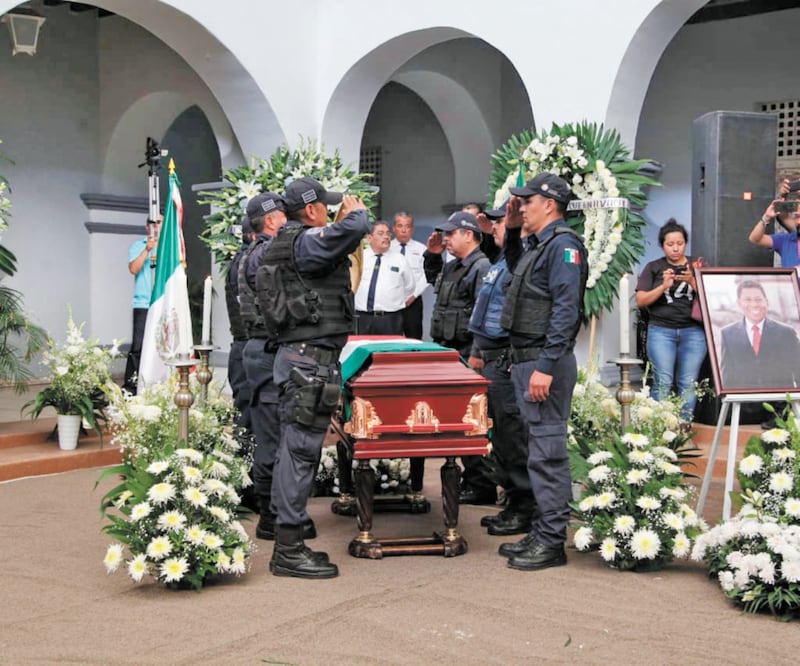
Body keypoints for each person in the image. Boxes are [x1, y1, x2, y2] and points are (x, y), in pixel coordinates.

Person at [258, 177, 370, 579]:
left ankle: (288, 542)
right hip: (308, 363)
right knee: (301, 453)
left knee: (296, 451)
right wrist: (354, 211)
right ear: (310, 210)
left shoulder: (291, 242)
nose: (330, 210)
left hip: (303, 360)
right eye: (325, 206)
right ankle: (288, 550)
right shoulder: (304, 242)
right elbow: (357, 228)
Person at [497, 172, 587, 572]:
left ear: (549, 204)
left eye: (527, 201)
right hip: (529, 358)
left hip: (544, 363)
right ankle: (542, 529)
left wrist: (547, 366)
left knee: (548, 453)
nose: (522, 207)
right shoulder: (540, 246)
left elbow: (567, 311)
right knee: (537, 452)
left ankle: (552, 541)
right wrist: (513, 232)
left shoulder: (564, 247)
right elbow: (518, 274)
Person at [239, 192, 317, 542]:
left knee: (278, 433)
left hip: (267, 351)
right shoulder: (265, 252)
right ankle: (271, 517)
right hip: (266, 353)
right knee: (271, 436)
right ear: (271, 221)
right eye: (283, 216)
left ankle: (278, 512)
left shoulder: (257, 251)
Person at [467, 201, 535, 536]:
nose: (492, 227)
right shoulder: (497, 263)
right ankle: (512, 499)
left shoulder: (520, 260)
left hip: (507, 358)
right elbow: (486, 308)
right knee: (501, 435)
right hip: (490, 357)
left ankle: (525, 505)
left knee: (513, 434)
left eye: (498, 222)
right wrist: (478, 350)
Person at [423, 211, 494, 504]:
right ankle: (472, 480)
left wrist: (478, 355)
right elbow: (435, 283)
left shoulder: (481, 267)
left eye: (451, 234)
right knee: (457, 420)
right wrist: (432, 255)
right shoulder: (454, 266)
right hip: (449, 353)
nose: (446, 239)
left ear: (469, 234)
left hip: (467, 354)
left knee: (470, 422)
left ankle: (482, 484)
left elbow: (484, 313)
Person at [635, 219, 706, 421]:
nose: (675, 248)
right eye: (670, 244)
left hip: (693, 331)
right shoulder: (654, 267)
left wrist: (692, 281)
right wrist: (663, 286)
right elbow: (640, 300)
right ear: (662, 246)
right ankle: (660, 428)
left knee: (688, 382)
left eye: (680, 243)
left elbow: (712, 297)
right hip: (661, 331)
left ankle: (683, 428)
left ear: (685, 243)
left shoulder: (697, 265)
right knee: (663, 381)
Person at [720, 279, 800, 389]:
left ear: (766, 301)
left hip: (779, 403)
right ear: (739, 303)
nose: (754, 304)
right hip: (743, 403)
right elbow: (727, 379)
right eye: (747, 300)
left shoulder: (787, 333)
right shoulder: (727, 334)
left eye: (758, 299)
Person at [354, 220, 415, 335]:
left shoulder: (399, 259)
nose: (386, 237)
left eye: (388, 233)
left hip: (390, 319)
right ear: (369, 238)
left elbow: (409, 287)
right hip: (363, 317)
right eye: (381, 233)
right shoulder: (360, 258)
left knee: (389, 351)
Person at [123, 217, 160, 394]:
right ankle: (131, 387)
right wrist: (147, 249)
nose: (156, 226)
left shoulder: (170, 246)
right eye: (153, 223)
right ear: (147, 227)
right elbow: (133, 269)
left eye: (160, 222)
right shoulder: (138, 245)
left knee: (162, 344)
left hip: (162, 301)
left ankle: (157, 385)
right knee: (138, 346)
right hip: (143, 303)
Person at [225, 216, 255, 430]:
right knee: (248, 415)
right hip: (248, 345)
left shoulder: (243, 259)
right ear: (254, 235)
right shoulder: (247, 262)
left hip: (244, 345)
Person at [391, 211, 429, 339]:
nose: (403, 230)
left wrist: (413, 295)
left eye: (407, 226)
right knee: (392, 338)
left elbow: (426, 275)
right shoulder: (387, 248)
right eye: (400, 226)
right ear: (394, 228)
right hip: (391, 301)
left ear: (412, 229)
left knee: (414, 338)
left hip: (413, 302)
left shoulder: (421, 249)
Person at [748, 179, 799, 267]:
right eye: (796, 216)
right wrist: (766, 217)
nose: (796, 213)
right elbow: (755, 238)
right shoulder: (787, 240)